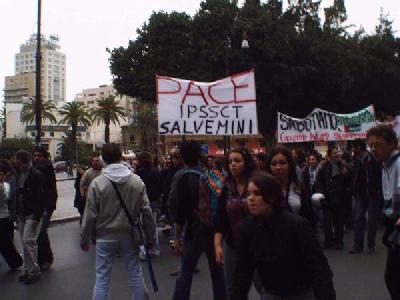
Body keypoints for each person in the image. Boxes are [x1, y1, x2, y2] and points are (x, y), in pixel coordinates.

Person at [231, 172, 336, 300]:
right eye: (248, 194)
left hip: (300, 293)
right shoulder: (246, 228)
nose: (250, 198)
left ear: (272, 196)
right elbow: (242, 271)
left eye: (257, 193)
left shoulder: (297, 225)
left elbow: (318, 267)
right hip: (270, 292)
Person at [80, 143, 156, 300]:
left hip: (104, 237)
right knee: (135, 274)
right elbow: (147, 212)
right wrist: (150, 238)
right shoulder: (136, 181)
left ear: (103, 159)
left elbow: (89, 216)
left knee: (102, 279)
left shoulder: (97, 183)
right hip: (129, 235)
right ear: (120, 157)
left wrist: (85, 239)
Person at [171, 141, 227, 300]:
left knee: (185, 271)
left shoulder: (183, 176)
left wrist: (176, 237)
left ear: (182, 156)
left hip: (194, 230)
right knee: (217, 271)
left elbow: (181, 211)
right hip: (213, 228)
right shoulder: (211, 174)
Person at [214, 146, 256, 298]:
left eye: (237, 161)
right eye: (230, 161)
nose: (233, 164)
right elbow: (220, 218)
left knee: (265, 286)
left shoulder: (257, 183)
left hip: (259, 243)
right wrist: (218, 244)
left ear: (247, 163)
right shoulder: (226, 187)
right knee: (234, 289)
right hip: (234, 245)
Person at [366, 125, 400, 299]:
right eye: (371, 145)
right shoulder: (385, 165)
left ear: (392, 144)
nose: (373, 149)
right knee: (393, 278)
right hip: (392, 226)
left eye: (377, 145)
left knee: (394, 279)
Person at [15, 150, 45, 284]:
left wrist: (37, 216)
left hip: (31, 214)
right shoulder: (20, 174)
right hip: (22, 213)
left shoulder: (36, 175)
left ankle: (34, 271)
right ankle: (27, 270)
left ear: (21, 160)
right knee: (24, 242)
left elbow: (40, 197)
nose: (15, 162)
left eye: (16, 159)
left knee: (28, 241)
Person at [267, 147, 315, 228]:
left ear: (290, 164)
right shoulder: (264, 188)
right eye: (274, 164)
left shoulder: (299, 187)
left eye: (282, 163)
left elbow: (309, 217)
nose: (278, 167)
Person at [349, 139, 382, 254]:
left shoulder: (373, 159)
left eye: (354, 147)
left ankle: (371, 245)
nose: (352, 150)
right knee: (358, 218)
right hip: (360, 193)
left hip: (372, 193)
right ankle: (358, 245)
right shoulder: (355, 160)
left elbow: (379, 175)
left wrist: (377, 190)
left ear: (359, 148)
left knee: (372, 220)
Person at [316, 146, 349, 250]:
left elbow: (347, 182)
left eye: (337, 153)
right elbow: (319, 182)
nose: (337, 155)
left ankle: (339, 242)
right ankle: (329, 241)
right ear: (329, 155)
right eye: (334, 153)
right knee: (327, 223)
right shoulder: (324, 168)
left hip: (340, 198)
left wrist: (345, 173)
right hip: (328, 199)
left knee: (339, 222)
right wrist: (322, 194)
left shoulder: (342, 166)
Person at [32, 146, 58, 271]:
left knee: (41, 232)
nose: (37, 158)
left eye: (39, 156)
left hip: (46, 205)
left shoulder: (47, 168)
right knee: (37, 234)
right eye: (35, 155)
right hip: (35, 206)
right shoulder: (31, 168)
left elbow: (51, 188)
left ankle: (46, 259)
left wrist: (50, 205)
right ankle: (41, 259)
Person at [135, 152, 162, 258]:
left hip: (141, 201)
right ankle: (155, 249)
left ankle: (143, 250)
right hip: (153, 201)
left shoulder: (138, 174)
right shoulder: (156, 172)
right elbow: (160, 186)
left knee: (141, 226)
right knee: (153, 225)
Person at [0, 162, 23, 270]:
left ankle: (16, 261)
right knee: (5, 243)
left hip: (4, 218)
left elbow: (6, 198)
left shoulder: (6, 186)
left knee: (6, 244)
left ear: (4, 175)